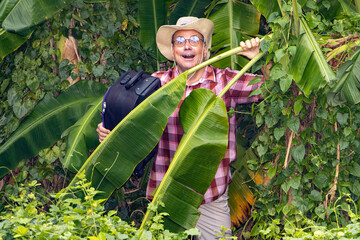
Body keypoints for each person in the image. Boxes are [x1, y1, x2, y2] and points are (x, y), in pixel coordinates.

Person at [97, 16, 269, 240]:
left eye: (194, 40)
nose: (187, 46)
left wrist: (260, 58)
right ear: (173, 50)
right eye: (180, 41)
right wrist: (106, 133)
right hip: (165, 194)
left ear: (204, 49)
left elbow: (270, 87)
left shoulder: (225, 81)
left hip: (210, 198)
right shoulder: (155, 85)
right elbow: (128, 126)